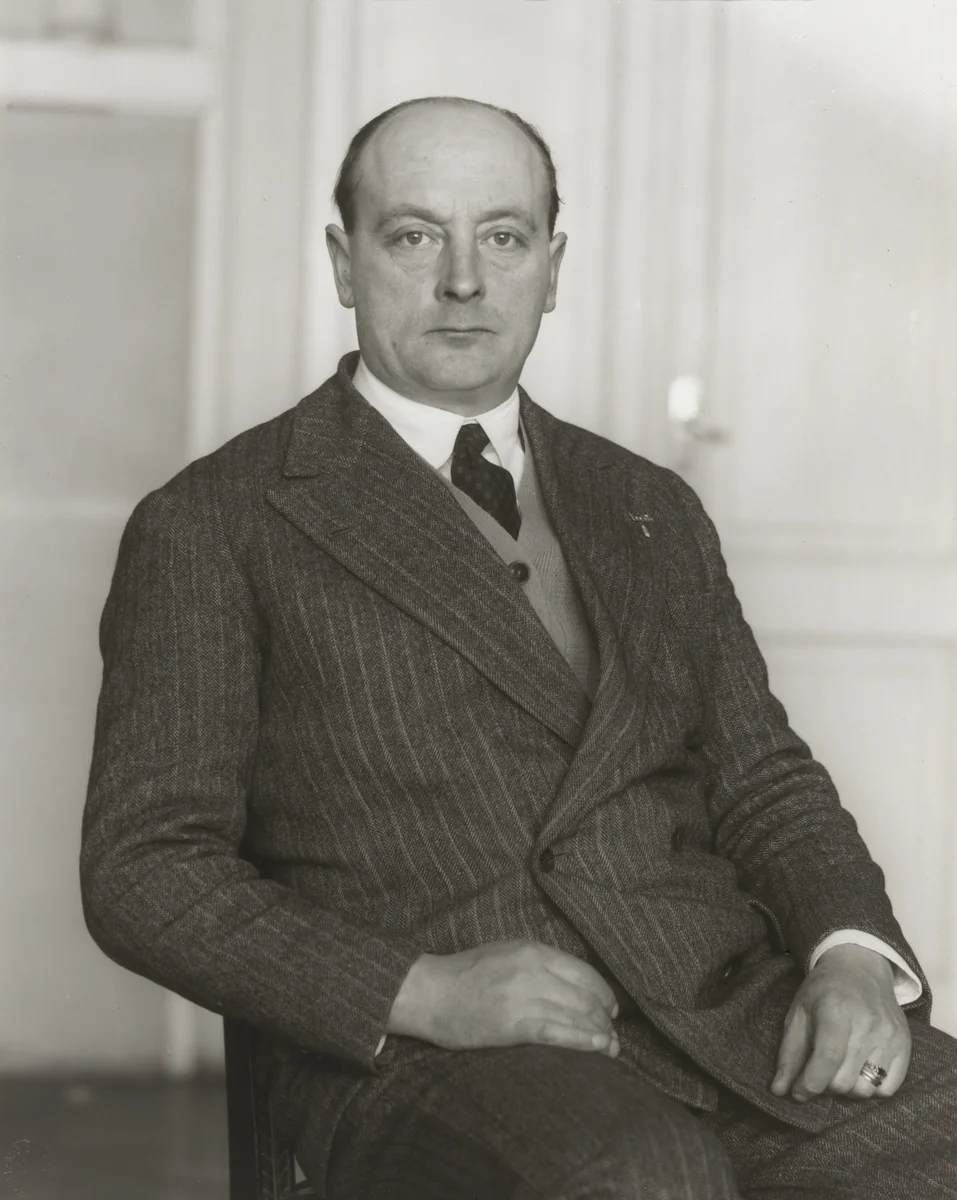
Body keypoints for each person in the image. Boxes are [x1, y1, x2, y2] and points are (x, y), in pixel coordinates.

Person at [80, 96, 957, 1199]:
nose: (463, 281)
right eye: (412, 236)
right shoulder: (218, 521)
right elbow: (142, 870)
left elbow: (764, 779)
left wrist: (850, 956)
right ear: (344, 263)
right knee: (645, 1178)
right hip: (429, 1056)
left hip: (720, 1021)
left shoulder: (649, 505)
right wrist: (427, 990)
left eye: (503, 237)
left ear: (554, 263)